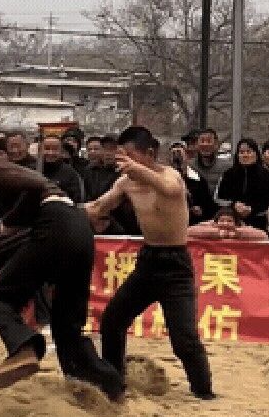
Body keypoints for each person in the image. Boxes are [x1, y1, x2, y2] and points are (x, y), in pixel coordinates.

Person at [0, 146, 121, 400]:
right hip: (79, 228)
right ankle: (109, 386)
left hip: (55, 225)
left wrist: (11, 222)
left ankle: (24, 347)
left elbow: (33, 188)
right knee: (66, 328)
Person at [85, 125, 214, 400]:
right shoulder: (125, 182)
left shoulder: (170, 176)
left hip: (176, 265)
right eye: (121, 157)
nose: (124, 163)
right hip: (148, 262)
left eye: (130, 156)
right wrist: (64, 208)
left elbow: (169, 188)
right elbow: (98, 207)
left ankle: (204, 392)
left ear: (150, 153)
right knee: (112, 321)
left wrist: (136, 169)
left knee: (184, 340)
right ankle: (114, 381)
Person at [215, 138, 269, 232]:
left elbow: (268, 203)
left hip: (259, 224)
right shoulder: (228, 174)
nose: (245, 155)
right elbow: (218, 198)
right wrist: (234, 205)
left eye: (249, 152)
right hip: (231, 223)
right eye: (241, 152)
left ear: (256, 154)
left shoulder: (267, 176)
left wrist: (251, 209)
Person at [169, 140, 217, 225]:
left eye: (180, 153)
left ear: (187, 156)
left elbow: (209, 208)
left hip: (193, 224)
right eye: (174, 154)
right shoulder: (165, 178)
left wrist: (201, 210)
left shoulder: (198, 180)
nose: (177, 157)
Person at [42, 135, 83, 203]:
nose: (50, 153)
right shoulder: (32, 169)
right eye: (47, 148)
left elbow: (74, 199)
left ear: (61, 152)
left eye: (55, 149)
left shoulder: (70, 173)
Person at [188, 207, 269, 241]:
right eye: (222, 220)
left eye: (229, 221)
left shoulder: (241, 227)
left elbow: (264, 236)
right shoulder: (209, 225)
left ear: (236, 223)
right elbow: (188, 231)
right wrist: (216, 233)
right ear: (215, 222)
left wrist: (237, 234)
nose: (225, 224)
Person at [191, 128, 231, 195]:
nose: (205, 144)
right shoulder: (189, 167)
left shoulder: (227, 167)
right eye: (202, 141)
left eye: (209, 141)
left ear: (216, 144)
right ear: (196, 144)